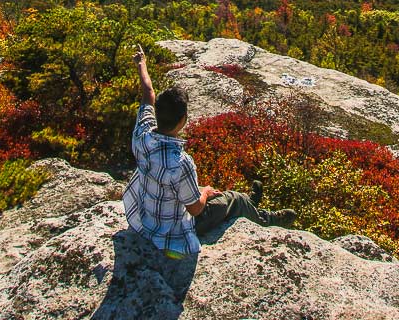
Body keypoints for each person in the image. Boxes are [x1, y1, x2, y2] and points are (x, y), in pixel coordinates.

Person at [123, 44, 296, 259]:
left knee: (213, 193)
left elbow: (148, 92)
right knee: (232, 198)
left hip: (144, 216)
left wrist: (141, 65)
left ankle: (249, 204)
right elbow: (195, 209)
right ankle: (264, 217)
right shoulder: (180, 162)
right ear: (182, 121)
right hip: (173, 229)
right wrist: (204, 192)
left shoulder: (142, 132)